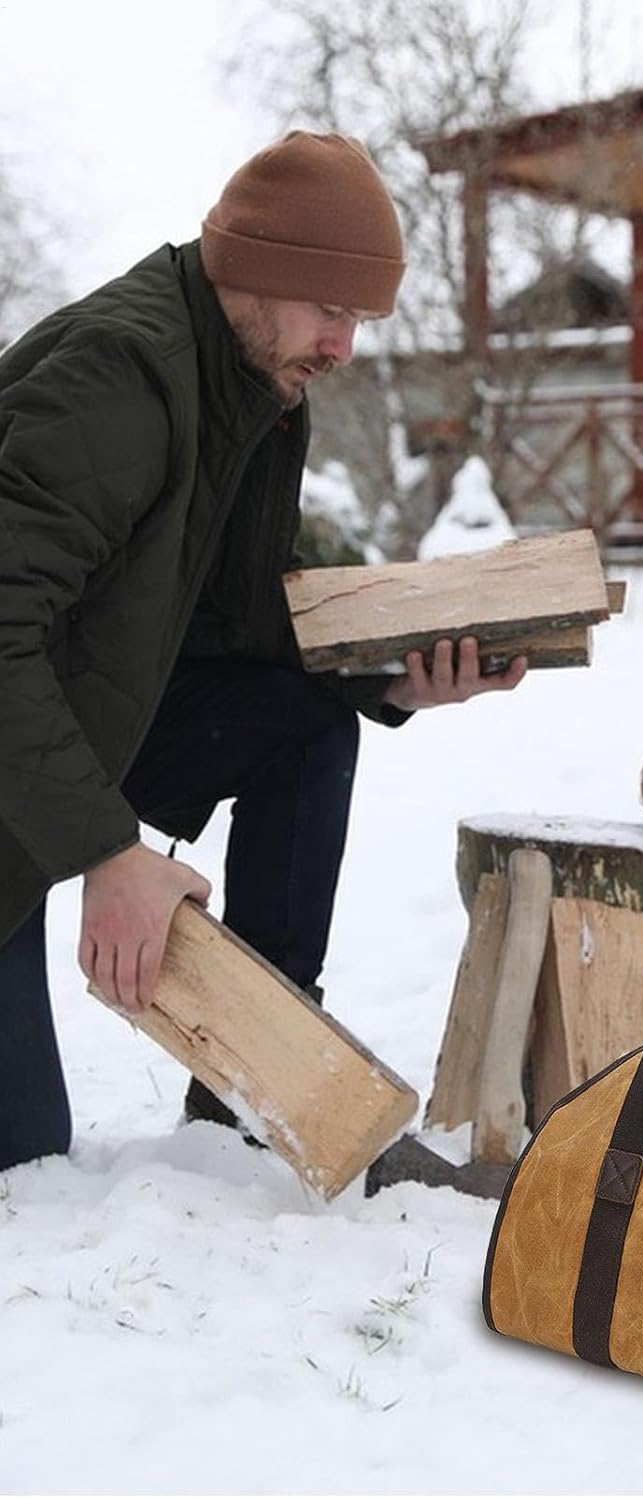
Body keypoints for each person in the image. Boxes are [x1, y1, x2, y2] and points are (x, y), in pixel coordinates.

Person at [0, 132, 524, 1174]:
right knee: (21, 1159)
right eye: (333, 310)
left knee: (303, 725)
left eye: (359, 319)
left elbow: (228, 627)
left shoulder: (253, 390)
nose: (344, 348)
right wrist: (109, 851)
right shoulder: (124, 370)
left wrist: (387, 678)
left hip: (60, 727)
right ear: (260, 273)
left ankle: (249, 1088)